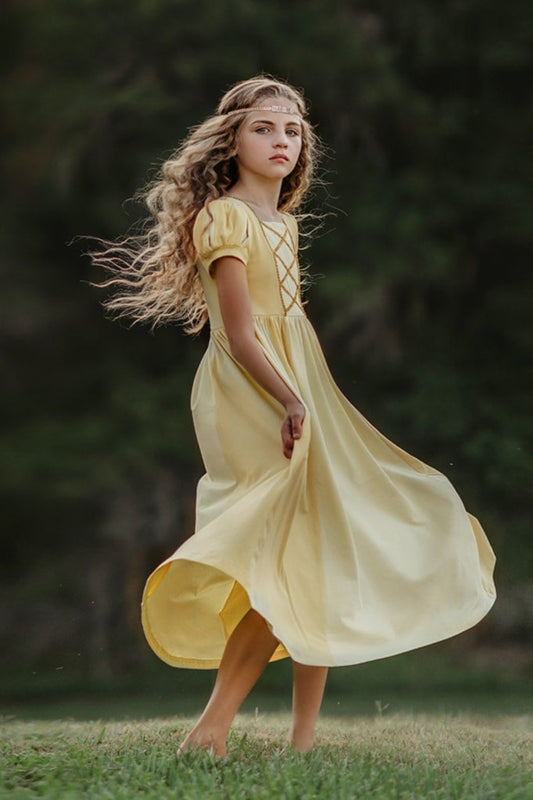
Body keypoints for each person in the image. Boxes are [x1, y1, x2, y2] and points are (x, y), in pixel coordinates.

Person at [90, 76, 496, 758]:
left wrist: (307, 394)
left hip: (300, 386)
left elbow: (290, 325)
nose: (281, 141)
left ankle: (303, 741)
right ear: (231, 141)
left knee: (320, 553)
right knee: (277, 558)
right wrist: (288, 398)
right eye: (263, 129)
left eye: (292, 131)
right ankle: (208, 732)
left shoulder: (284, 222)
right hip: (254, 392)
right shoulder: (225, 216)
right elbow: (241, 334)